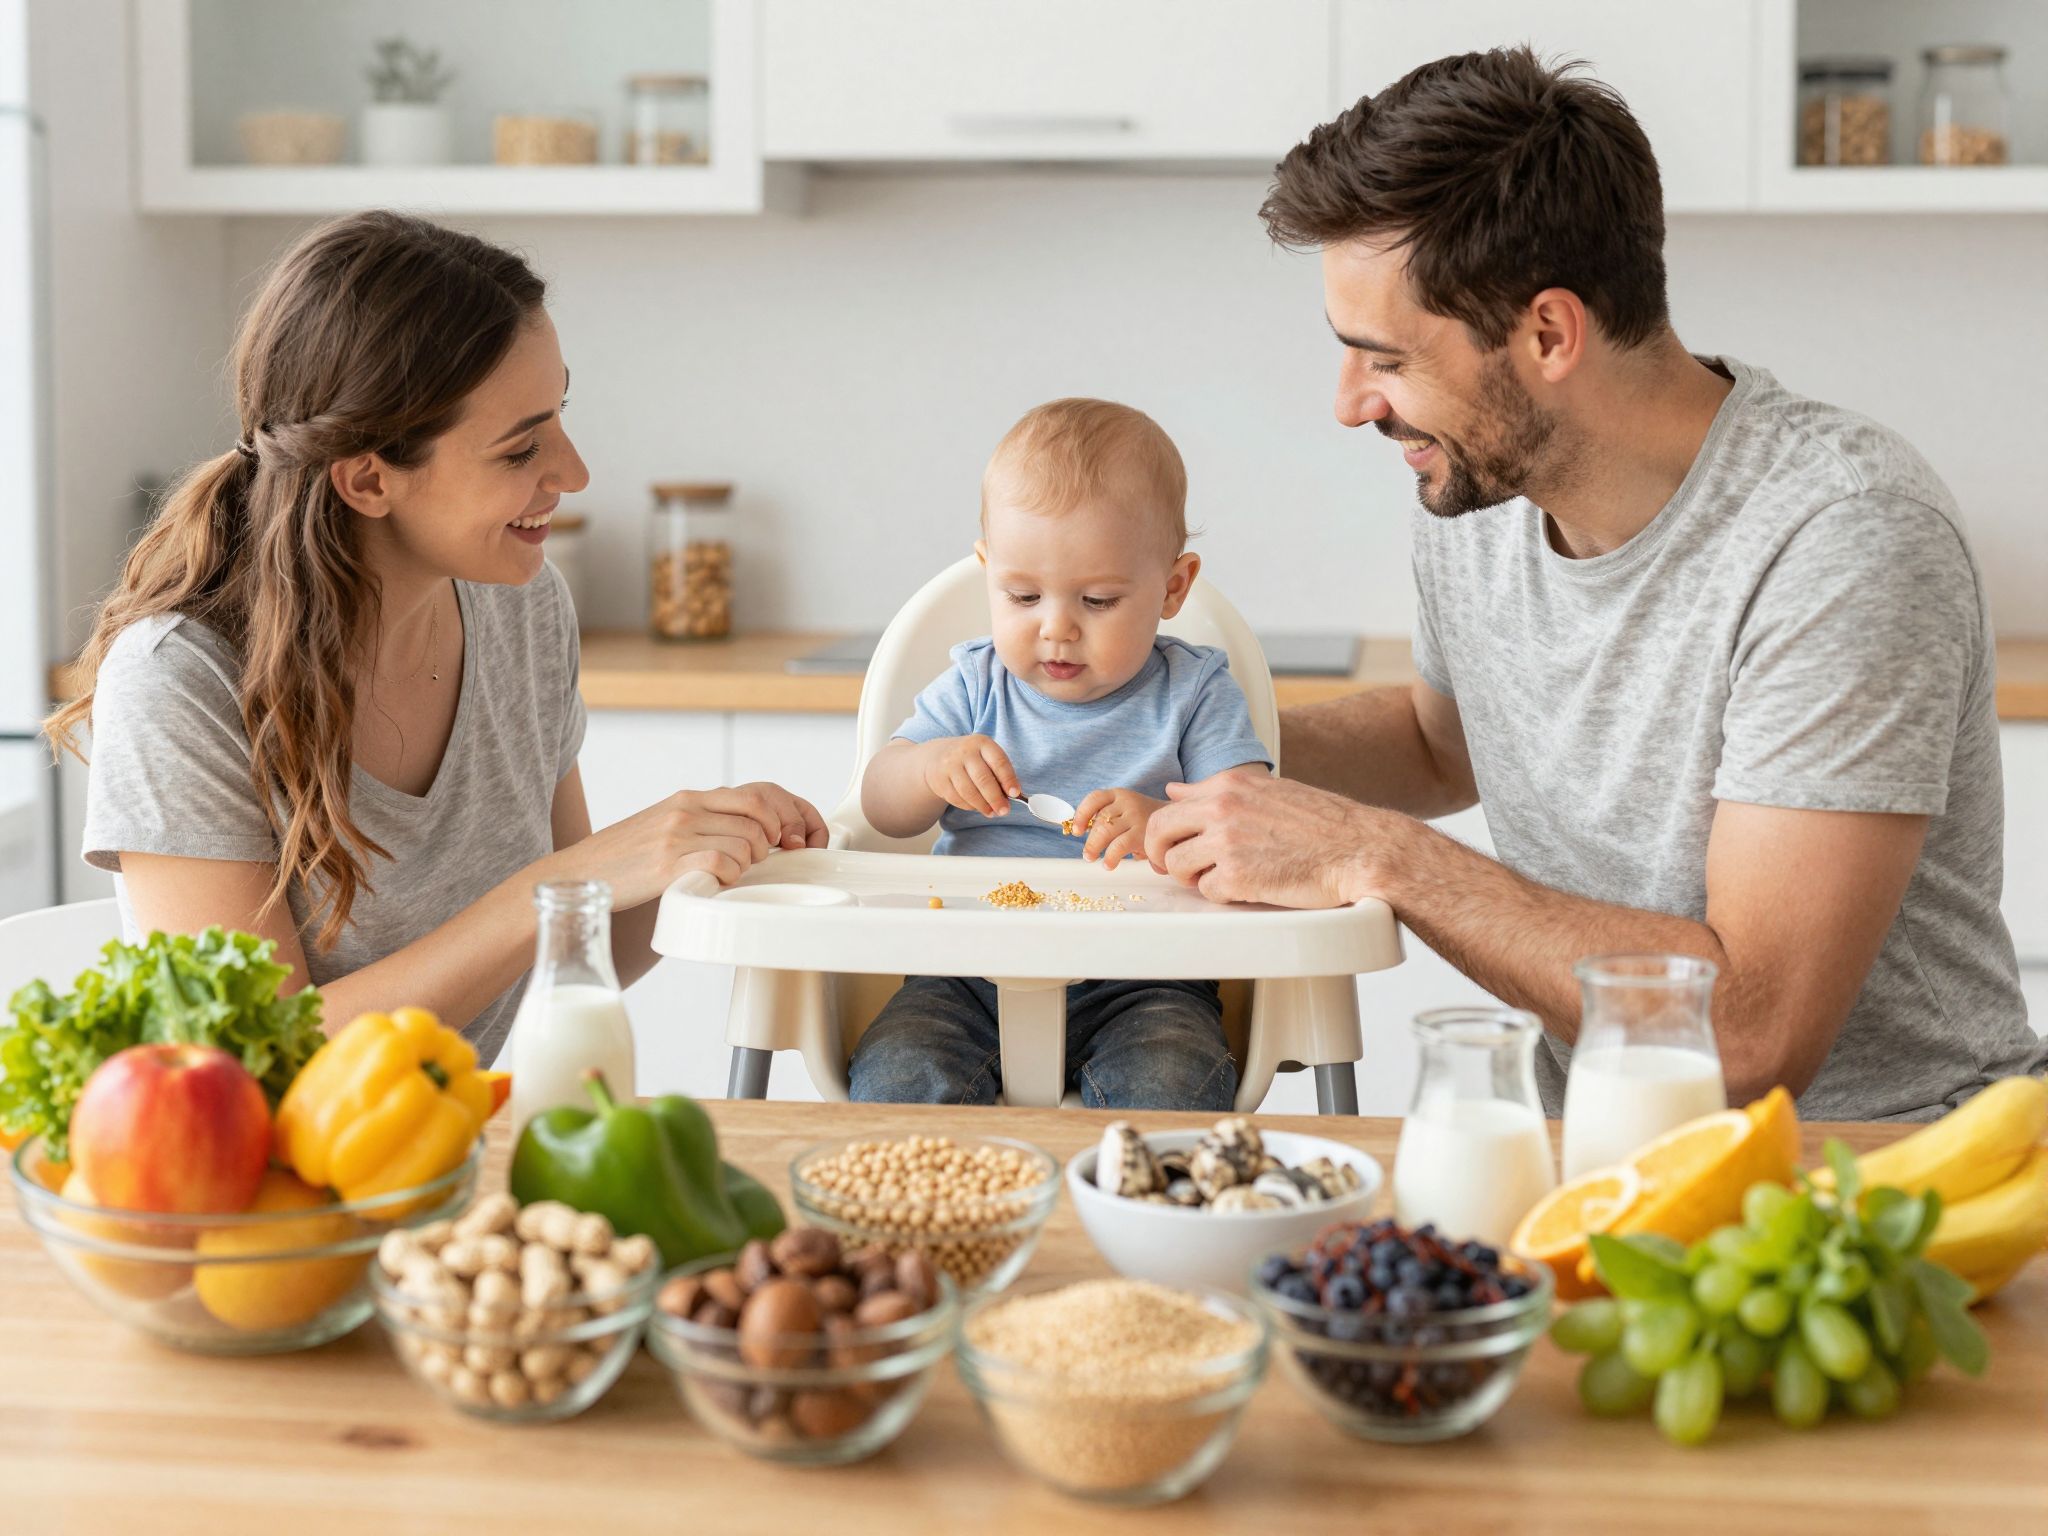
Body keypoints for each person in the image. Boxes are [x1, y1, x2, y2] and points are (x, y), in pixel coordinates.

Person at [1143, 48, 2044, 1121]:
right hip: (1607, 1153)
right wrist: (1155, 730)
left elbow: (1749, 1031)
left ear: (1546, 333)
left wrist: (1368, 855)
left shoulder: (1840, 536)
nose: (1349, 404)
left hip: (1881, 1174)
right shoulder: (1481, 484)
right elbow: (1445, 742)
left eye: (1382, 358)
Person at [48, 211, 826, 1065]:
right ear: (370, 479)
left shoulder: (521, 611)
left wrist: (718, 858)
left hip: (462, 1145)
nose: (573, 473)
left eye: (558, 414)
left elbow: (574, 948)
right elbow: (254, 1063)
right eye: (520, 447)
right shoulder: (180, 685)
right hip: (280, 1187)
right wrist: (560, 887)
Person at [851, 398, 1272, 1108]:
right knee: (899, 1078)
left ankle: (1140, 1218)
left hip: (1150, 976)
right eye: (1021, 595)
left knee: (1173, 1089)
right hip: (963, 971)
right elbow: (879, 808)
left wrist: (1160, 827)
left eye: (1099, 601)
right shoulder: (975, 684)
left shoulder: (1195, 691)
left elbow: (1254, 828)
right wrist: (928, 768)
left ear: (1173, 588)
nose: (1055, 629)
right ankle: (945, 1216)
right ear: (987, 573)